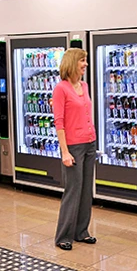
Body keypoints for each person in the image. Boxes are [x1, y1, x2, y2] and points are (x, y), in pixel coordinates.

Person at [53, 48, 96, 251]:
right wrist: (65, 151)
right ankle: (63, 236)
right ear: (72, 63)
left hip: (89, 142)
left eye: (85, 60)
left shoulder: (84, 86)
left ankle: (81, 231)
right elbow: (59, 122)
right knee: (73, 190)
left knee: (86, 190)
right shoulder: (61, 89)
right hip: (73, 146)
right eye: (82, 60)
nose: (85, 64)